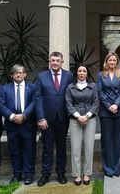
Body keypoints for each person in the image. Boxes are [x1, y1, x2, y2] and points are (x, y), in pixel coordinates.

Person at [35, 52, 73, 186]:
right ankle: (45, 175)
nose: (55, 62)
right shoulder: (41, 76)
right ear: (49, 62)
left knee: (62, 147)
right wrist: (40, 118)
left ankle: (61, 173)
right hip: (47, 119)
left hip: (63, 118)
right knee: (47, 148)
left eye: (57, 60)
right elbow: (38, 98)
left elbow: (72, 95)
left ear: (62, 62)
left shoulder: (69, 76)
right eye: (52, 60)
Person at [0, 64, 37, 185]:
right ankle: (17, 175)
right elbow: (1, 105)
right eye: (16, 73)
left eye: (21, 72)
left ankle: (29, 175)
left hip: (28, 124)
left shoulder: (32, 87)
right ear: (12, 75)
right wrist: (12, 116)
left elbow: (34, 102)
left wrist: (24, 115)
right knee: (14, 151)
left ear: (25, 74)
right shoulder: (5, 88)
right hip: (12, 125)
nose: (18, 74)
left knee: (29, 150)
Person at [65, 64, 99, 186]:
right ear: (76, 73)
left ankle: (87, 173)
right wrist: (78, 116)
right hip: (75, 120)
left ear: (87, 74)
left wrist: (87, 116)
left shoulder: (93, 86)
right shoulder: (70, 88)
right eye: (79, 71)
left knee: (89, 147)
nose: (82, 73)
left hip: (90, 119)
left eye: (84, 71)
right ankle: (77, 174)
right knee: (75, 148)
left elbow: (96, 102)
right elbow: (68, 103)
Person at [97, 53, 120, 178]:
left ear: (117, 62)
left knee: (118, 141)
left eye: (114, 60)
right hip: (105, 112)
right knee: (106, 140)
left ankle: (116, 168)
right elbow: (100, 92)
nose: (112, 62)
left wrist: (116, 105)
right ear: (106, 61)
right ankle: (108, 168)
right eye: (110, 60)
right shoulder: (100, 75)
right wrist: (109, 106)